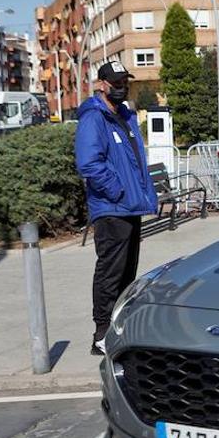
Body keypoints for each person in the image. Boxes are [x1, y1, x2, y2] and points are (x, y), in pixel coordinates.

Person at [74, 62, 158, 356]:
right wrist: (117, 190)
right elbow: (89, 163)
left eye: (125, 81)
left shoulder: (125, 116)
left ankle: (118, 324)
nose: (121, 86)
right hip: (112, 208)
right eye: (116, 82)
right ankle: (101, 333)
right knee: (110, 272)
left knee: (126, 272)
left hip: (129, 206)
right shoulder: (94, 118)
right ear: (101, 85)